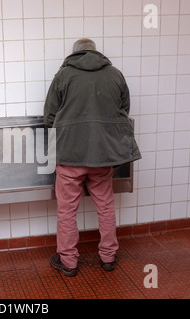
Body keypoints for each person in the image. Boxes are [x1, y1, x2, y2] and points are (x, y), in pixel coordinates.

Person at [44, 38, 141, 277]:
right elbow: (124, 110)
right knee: (105, 205)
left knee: (67, 209)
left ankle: (68, 261)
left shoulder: (63, 76)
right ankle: (108, 257)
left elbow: (49, 116)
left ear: (74, 54)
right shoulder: (115, 74)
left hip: (69, 154)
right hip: (102, 154)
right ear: (95, 52)